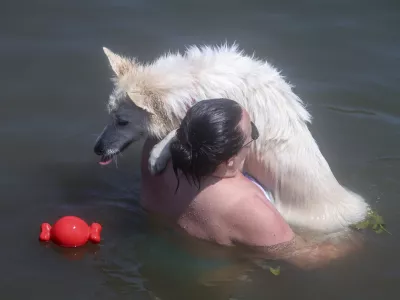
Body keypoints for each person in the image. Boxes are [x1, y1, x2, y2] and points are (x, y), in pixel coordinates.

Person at [140, 98, 361, 268]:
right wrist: (355, 241)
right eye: (252, 134)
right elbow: (307, 258)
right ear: (230, 160)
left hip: (153, 245)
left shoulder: (153, 149)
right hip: (211, 276)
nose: (254, 137)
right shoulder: (248, 208)